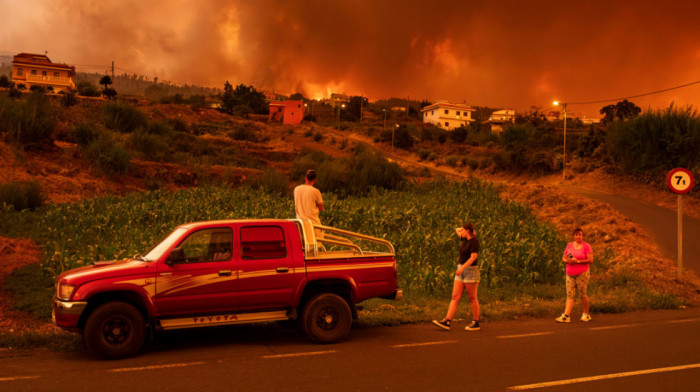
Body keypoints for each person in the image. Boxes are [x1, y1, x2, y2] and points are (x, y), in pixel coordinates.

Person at [433, 222, 481, 331]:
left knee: (472, 297)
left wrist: (462, 268)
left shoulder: (474, 242)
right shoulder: (464, 239)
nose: (461, 232)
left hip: (470, 271)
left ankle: (475, 322)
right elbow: (457, 229)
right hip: (461, 269)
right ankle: (447, 321)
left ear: (468, 231)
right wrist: (465, 229)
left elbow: (473, 257)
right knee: (455, 296)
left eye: (464, 230)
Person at [556, 227, 594, 323]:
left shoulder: (586, 246)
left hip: (582, 273)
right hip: (569, 273)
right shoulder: (569, 245)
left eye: (580, 235)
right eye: (576, 235)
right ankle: (566, 316)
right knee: (570, 294)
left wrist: (577, 261)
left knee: (582, 294)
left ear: (582, 236)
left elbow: (590, 260)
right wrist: (568, 260)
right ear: (574, 236)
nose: (578, 236)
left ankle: (586, 314)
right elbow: (563, 258)